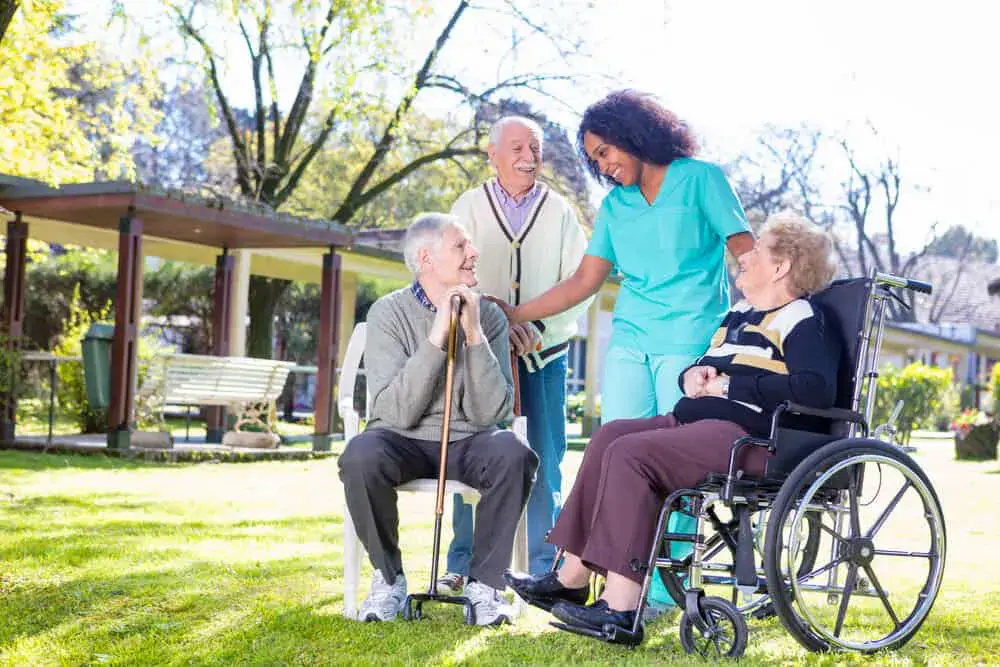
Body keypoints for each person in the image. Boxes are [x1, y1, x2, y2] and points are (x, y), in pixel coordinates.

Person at [504, 214, 840, 639]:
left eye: (759, 249)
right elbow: (708, 367)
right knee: (610, 436)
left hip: (751, 439)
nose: (745, 256)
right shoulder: (739, 314)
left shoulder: (800, 317)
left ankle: (622, 607)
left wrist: (730, 384)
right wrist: (692, 377)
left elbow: (815, 388)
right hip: (699, 423)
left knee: (633, 454)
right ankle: (571, 579)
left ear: (781, 267)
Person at [489, 90, 756, 611]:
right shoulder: (615, 206)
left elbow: (745, 250)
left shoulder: (701, 179)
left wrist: (776, 313)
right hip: (631, 337)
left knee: (673, 460)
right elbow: (585, 280)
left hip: (691, 338)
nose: (604, 168)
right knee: (612, 451)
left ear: (635, 135)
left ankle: (657, 589)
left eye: (607, 152)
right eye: (595, 162)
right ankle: (586, 572)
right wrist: (516, 314)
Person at [338, 213, 539, 625]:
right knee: (360, 454)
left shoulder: (491, 318)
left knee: (513, 453)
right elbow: (394, 411)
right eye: (461, 246)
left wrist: (473, 335)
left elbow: (491, 413)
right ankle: (389, 579)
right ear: (427, 258)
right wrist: (436, 336)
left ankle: (484, 586)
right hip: (401, 439)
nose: (474, 253)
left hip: (470, 440)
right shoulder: (387, 314)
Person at [437, 116, 592, 593]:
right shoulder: (468, 206)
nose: (529, 157)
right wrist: (488, 326)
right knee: (473, 454)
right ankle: (462, 562)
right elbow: (449, 272)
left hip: (544, 355)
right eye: (518, 147)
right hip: (479, 355)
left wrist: (539, 327)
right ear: (494, 154)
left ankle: (545, 564)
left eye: (536, 148)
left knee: (546, 456)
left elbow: (581, 285)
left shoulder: (561, 212)